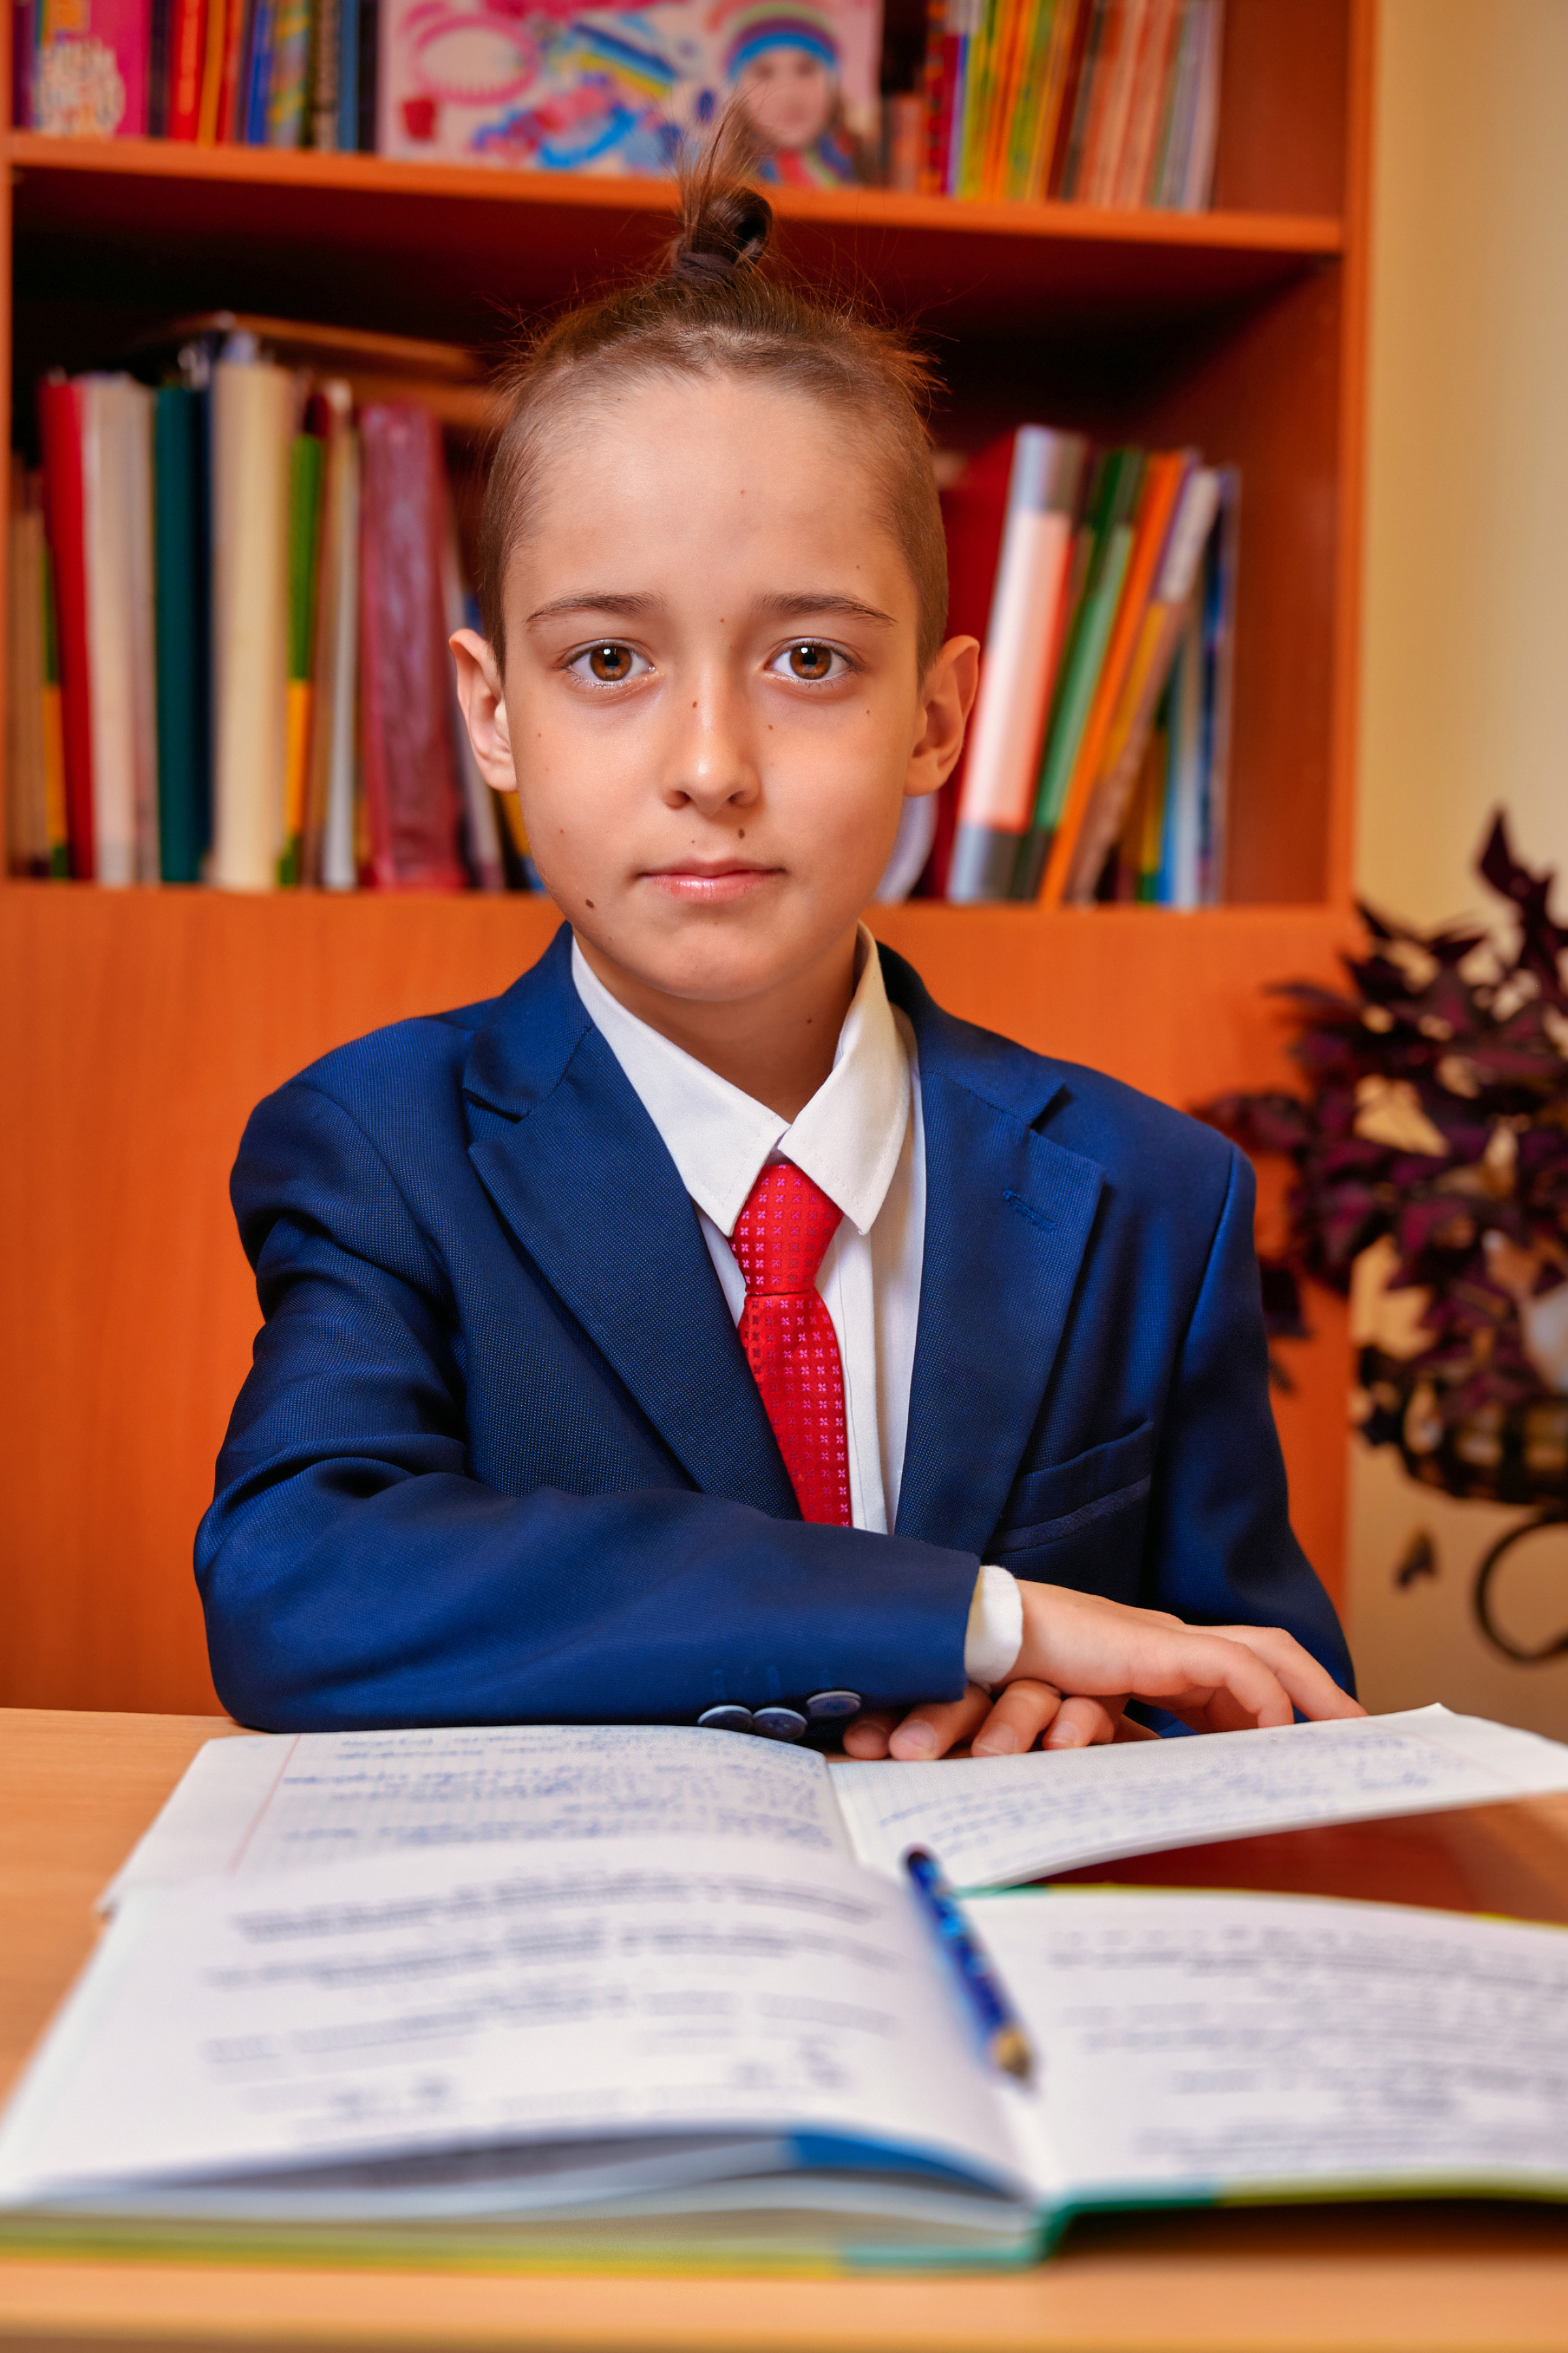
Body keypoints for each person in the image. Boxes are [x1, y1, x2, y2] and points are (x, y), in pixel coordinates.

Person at [196, 139, 1361, 1759]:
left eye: (810, 658)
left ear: (936, 717)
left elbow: (1264, 1699)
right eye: (607, 657)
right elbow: (298, 1587)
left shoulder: (1154, 1198)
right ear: (490, 712)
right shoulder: (383, 1152)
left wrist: (1104, 1729)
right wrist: (978, 1616)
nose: (711, 761)